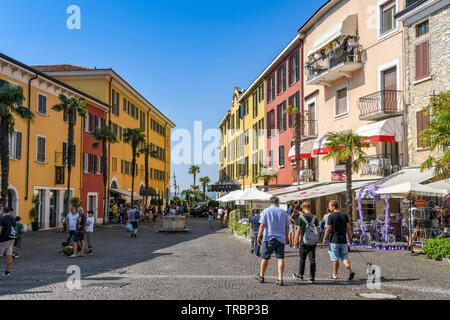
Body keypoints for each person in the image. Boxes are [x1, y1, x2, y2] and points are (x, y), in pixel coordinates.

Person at [256, 196, 291, 286]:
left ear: (270, 202)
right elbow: (287, 227)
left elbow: (262, 225)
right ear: (278, 203)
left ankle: (261, 276)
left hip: (268, 238)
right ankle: (280, 278)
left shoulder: (265, 211)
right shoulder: (283, 212)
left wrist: (259, 236)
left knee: (265, 258)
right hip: (280, 238)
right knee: (280, 258)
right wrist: (287, 237)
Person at [322, 200, 355, 281]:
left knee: (335, 258)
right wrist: (350, 238)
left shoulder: (331, 216)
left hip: (334, 240)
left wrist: (324, 238)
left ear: (333, 206)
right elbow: (349, 227)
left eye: (329, 206)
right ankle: (349, 270)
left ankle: (335, 274)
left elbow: (328, 228)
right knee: (344, 256)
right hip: (343, 240)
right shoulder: (344, 215)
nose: (329, 208)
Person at [293, 201, 319, 282]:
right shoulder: (315, 217)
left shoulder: (301, 217)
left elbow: (298, 231)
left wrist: (295, 241)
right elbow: (317, 229)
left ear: (303, 208)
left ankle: (300, 275)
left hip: (303, 241)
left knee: (302, 259)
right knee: (312, 259)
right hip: (312, 241)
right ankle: (312, 277)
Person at [0, 207, 16, 277]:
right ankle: (7, 272)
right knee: (9, 255)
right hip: (11, 238)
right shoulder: (12, 218)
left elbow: (0, 229)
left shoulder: (2, 218)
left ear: (3, 211)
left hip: (3, 240)